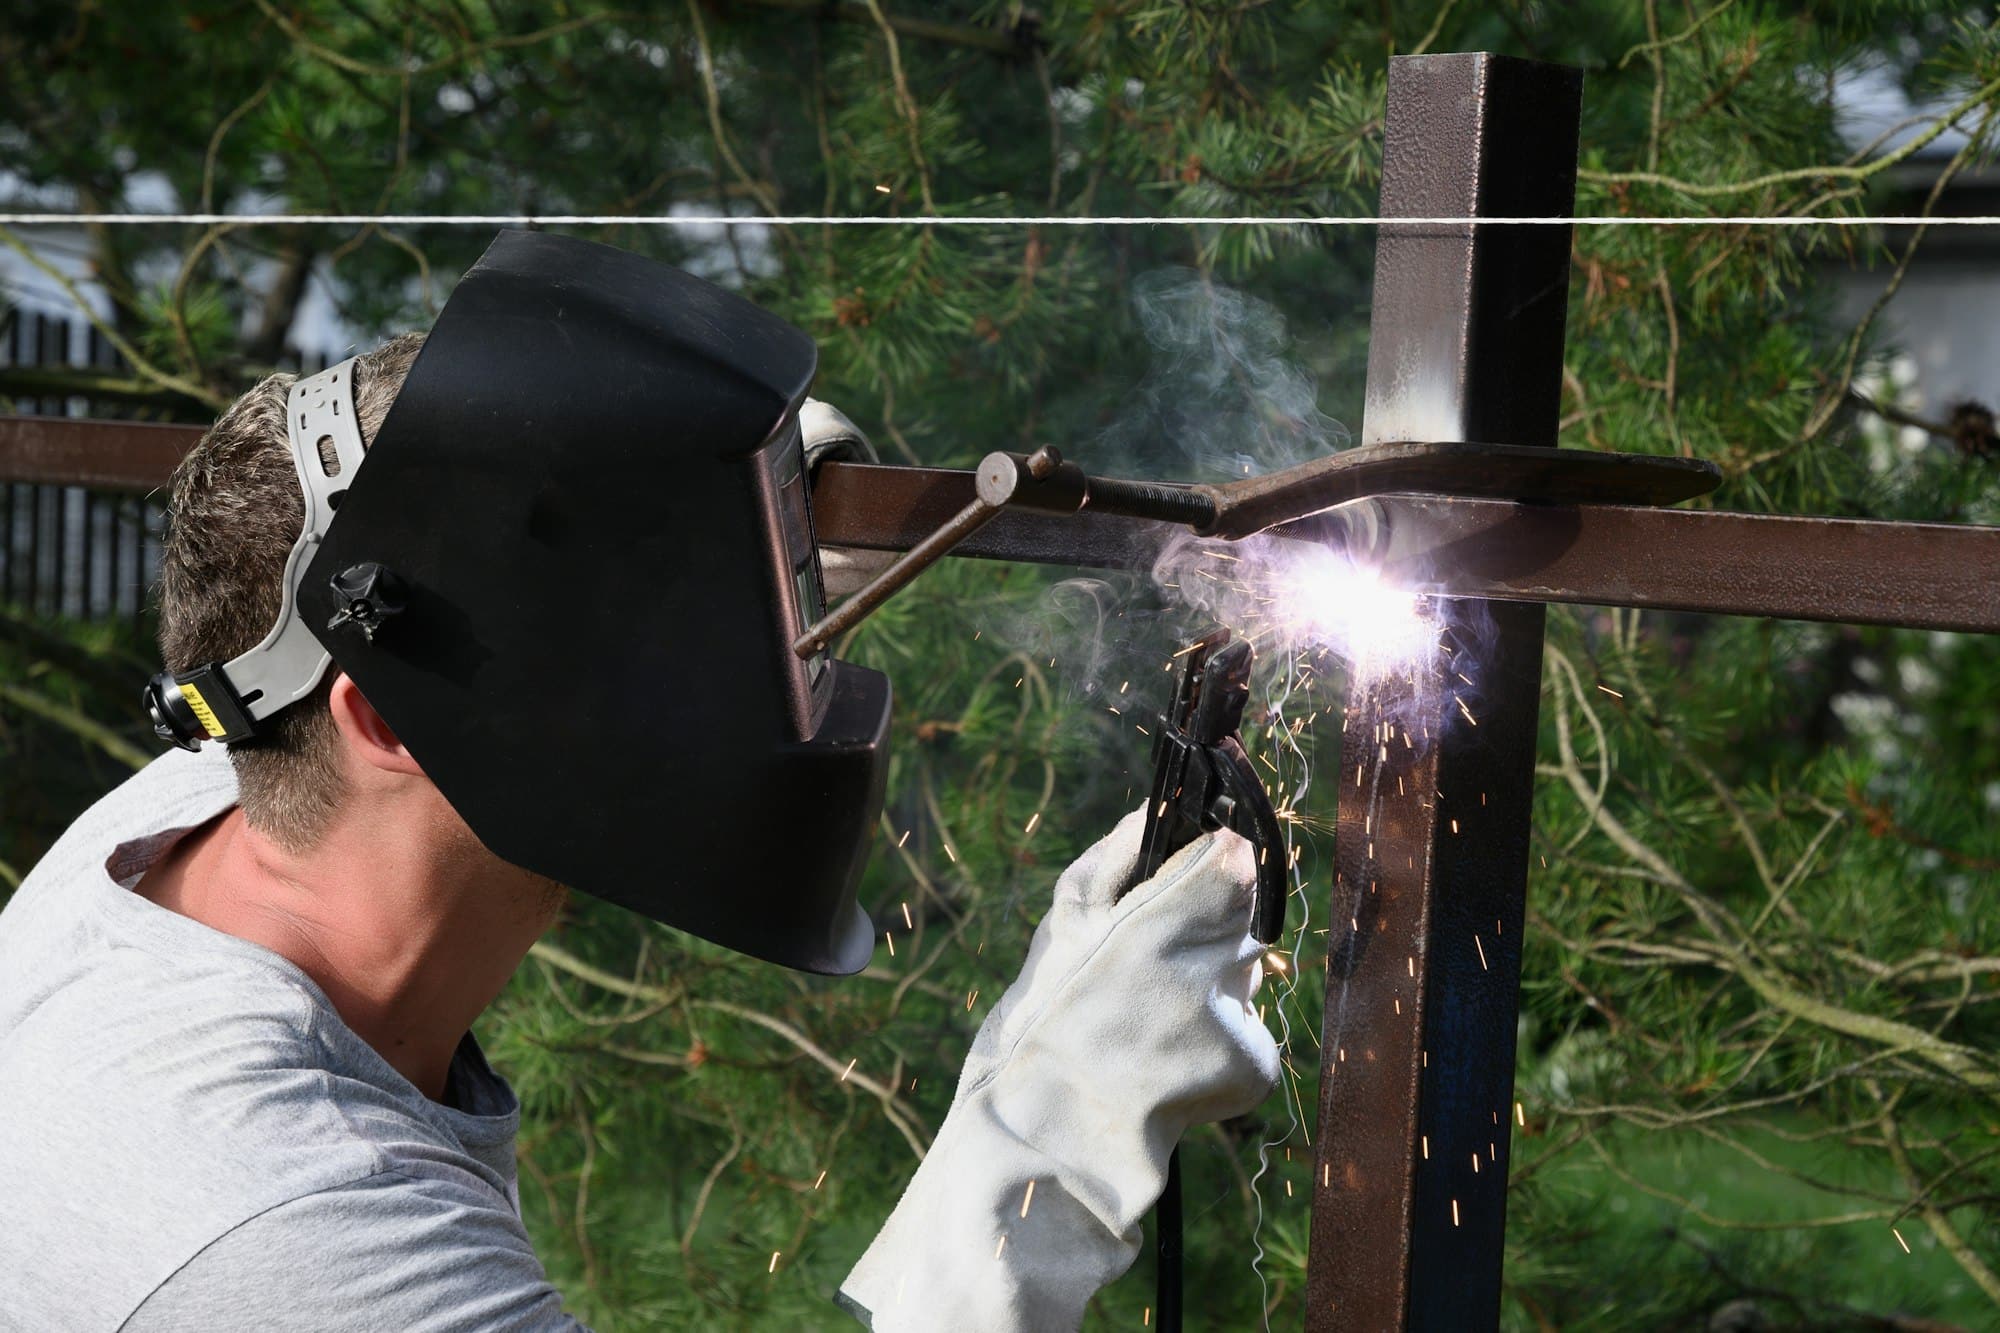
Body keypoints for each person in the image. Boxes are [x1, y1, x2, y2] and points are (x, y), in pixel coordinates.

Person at [0, 235, 1278, 1331]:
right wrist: (1055, 1122)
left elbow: (335, 587)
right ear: (390, 715)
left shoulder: (164, 833)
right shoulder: (290, 1223)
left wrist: (713, 515)